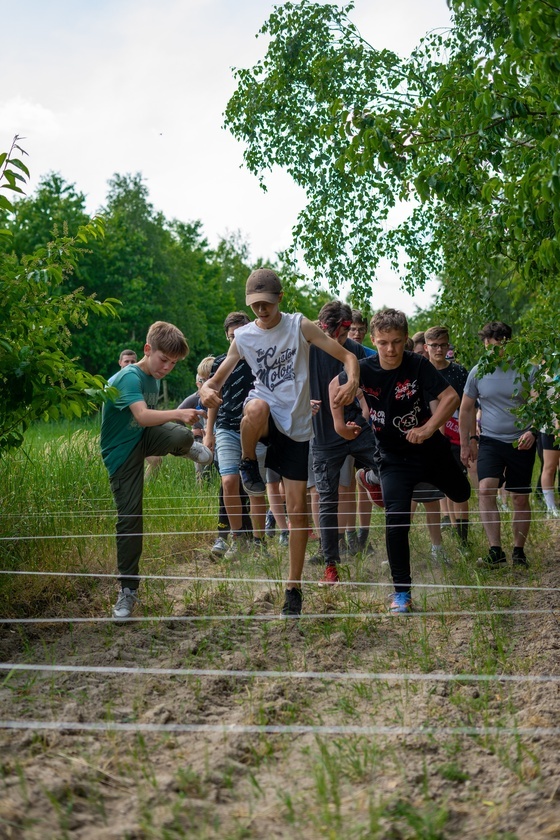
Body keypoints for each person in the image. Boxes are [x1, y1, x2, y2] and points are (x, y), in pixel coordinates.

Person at [199, 268, 360, 617]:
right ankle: (247, 463)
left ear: (280, 300)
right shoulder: (242, 337)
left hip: (297, 428)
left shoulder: (299, 326)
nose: (261, 310)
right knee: (254, 406)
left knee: (298, 509)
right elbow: (216, 378)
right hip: (264, 418)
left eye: (267, 304)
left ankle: (293, 587)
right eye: (255, 304)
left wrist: (352, 380)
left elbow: (347, 356)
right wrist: (206, 390)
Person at [330, 309, 471, 613]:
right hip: (392, 456)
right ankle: (402, 593)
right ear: (373, 340)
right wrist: (340, 425)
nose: (390, 350)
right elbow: (334, 387)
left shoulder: (418, 364)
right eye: (383, 343)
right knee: (397, 522)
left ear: (406, 339)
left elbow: (451, 398)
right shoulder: (364, 369)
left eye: (396, 342)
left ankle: (383, 481)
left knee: (462, 494)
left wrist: (428, 428)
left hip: (430, 450)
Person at [101, 321, 213, 620]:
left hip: (143, 438)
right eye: (164, 360)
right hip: (121, 454)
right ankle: (127, 591)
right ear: (147, 350)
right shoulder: (129, 377)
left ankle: (185, 448)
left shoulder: (153, 377)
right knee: (130, 517)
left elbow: (148, 423)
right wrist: (178, 413)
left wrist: (179, 426)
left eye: (174, 364)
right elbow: (142, 414)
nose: (167, 368)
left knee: (182, 435)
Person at [309, 300, 381, 585]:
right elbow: (290, 379)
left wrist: (363, 418)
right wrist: (304, 402)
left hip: (359, 430)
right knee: (327, 499)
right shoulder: (309, 348)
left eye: (344, 333)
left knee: (389, 473)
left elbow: (372, 386)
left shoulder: (355, 352)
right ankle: (331, 565)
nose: (338, 340)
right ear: (322, 327)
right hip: (325, 435)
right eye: (334, 333)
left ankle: (369, 477)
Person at [459, 321, 537, 567]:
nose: (491, 351)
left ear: (508, 344)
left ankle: (518, 551)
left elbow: (539, 407)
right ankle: (495, 550)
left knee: (519, 498)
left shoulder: (527, 369)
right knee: (485, 489)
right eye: (487, 346)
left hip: (521, 441)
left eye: (496, 346)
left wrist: (534, 431)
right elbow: (466, 409)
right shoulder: (478, 371)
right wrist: (468, 442)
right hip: (491, 440)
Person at [203, 312, 268, 559]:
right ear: (226, 337)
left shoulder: (261, 359)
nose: (236, 341)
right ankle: (238, 539)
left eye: (240, 335)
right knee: (229, 481)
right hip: (227, 427)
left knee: (255, 486)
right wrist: (209, 432)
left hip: (256, 428)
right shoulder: (219, 364)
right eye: (232, 337)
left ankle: (260, 542)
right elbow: (213, 400)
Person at [424, 325, 473, 547]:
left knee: (459, 485)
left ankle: (463, 540)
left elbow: (468, 408)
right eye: (434, 345)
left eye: (443, 345)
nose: (439, 349)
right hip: (427, 437)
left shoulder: (458, 372)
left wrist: (470, 439)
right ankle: (438, 541)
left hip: (454, 436)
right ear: (426, 347)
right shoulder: (420, 371)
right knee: (433, 490)